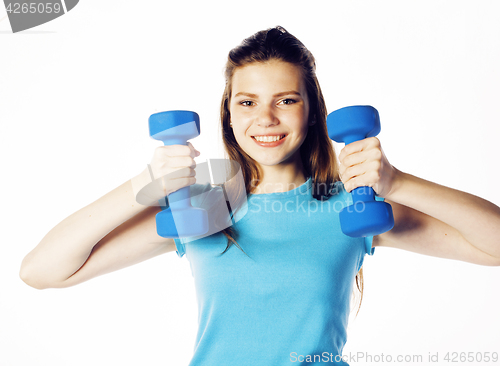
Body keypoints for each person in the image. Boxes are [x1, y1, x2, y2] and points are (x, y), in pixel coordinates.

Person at [19, 26, 500, 366]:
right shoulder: (202, 208)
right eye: (246, 102)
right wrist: (141, 187)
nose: (265, 119)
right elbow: (42, 272)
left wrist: (396, 183)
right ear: (227, 114)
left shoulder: (351, 206)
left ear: (312, 112)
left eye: (286, 100)